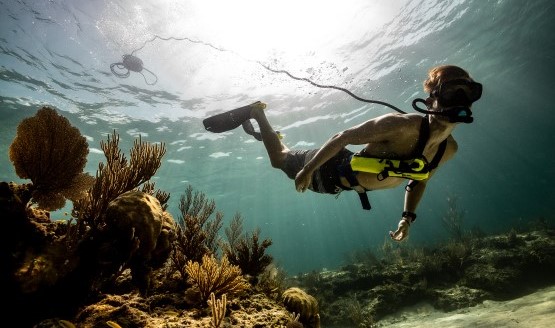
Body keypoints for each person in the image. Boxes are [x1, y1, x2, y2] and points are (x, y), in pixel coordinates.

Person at [204, 65, 482, 241]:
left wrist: (407, 217)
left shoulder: (449, 149)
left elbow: (419, 179)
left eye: (467, 93)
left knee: (281, 156)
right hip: (330, 167)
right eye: (450, 93)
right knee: (279, 161)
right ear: (432, 99)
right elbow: (342, 137)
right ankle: (257, 113)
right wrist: (307, 170)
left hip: (342, 185)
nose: (460, 102)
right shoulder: (401, 126)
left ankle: (266, 134)